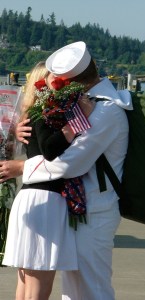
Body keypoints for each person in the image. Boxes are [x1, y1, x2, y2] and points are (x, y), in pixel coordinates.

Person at [0, 41, 132, 300]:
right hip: (81, 208)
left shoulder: (106, 110)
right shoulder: (94, 104)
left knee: (91, 290)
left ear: (72, 82)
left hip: (96, 211)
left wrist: (21, 167)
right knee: (74, 291)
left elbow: (69, 164)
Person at [2, 60, 94, 300]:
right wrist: (78, 120)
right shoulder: (45, 116)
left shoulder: (29, 117)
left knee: (25, 285)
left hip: (29, 197)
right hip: (46, 202)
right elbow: (51, 151)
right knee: (38, 287)